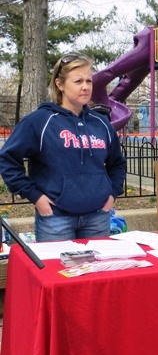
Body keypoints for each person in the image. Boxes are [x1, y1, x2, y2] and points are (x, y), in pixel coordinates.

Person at [0, 53, 126, 242]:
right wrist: (35, 195)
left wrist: (112, 193)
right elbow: (7, 158)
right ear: (60, 84)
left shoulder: (102, 124)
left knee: (96, 271)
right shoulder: (39, 121)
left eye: (89, 81)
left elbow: (117, 163)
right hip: (55, 219)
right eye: (78, 81)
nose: (85, 87)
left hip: (98, 216)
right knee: (56, 271)